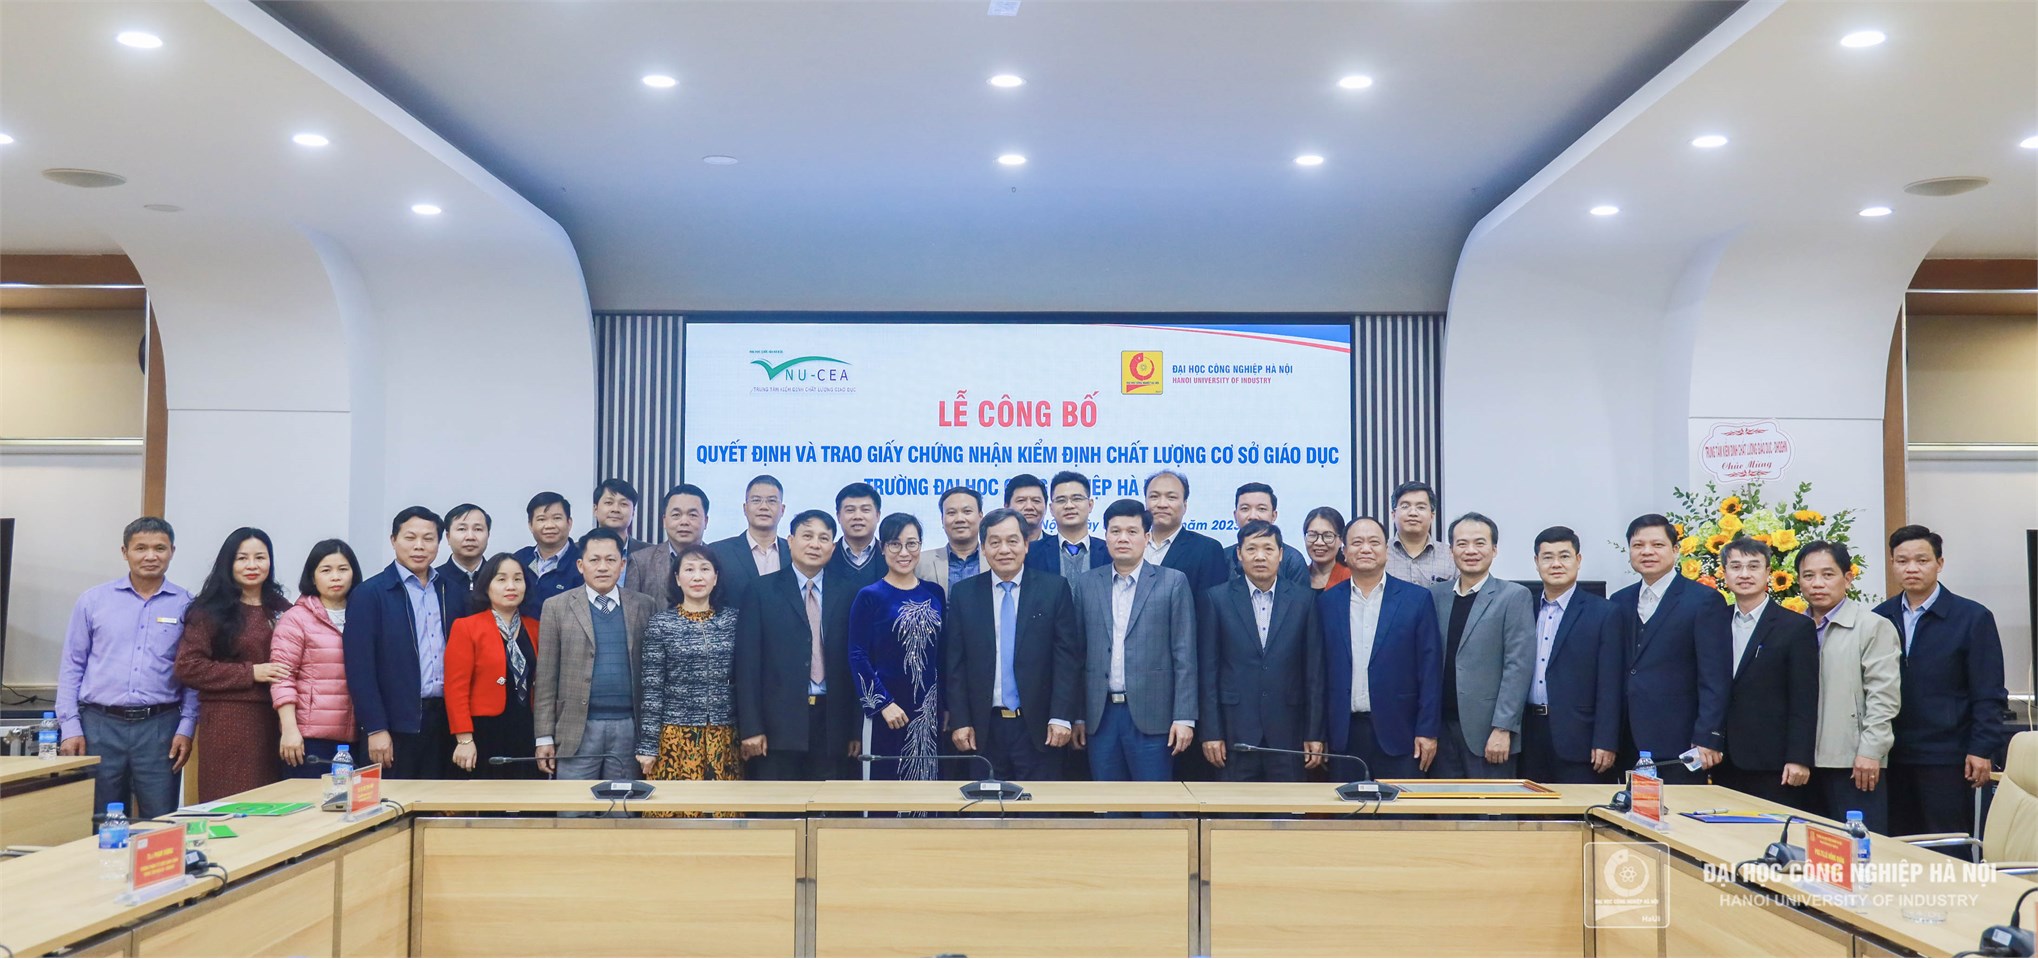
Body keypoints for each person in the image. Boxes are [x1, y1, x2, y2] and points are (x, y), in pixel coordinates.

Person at [1873, 525, 2008, 836]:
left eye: (1921, 560)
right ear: (1892, 564)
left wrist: (1981, 748)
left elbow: (1988, 692)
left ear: (1939, 563)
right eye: (1902, 561)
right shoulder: (1880, 617)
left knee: (1947, 843)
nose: (1911, 568)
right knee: (1898, 844)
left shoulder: (1972, 617)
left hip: (1948, 756)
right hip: (1893, 755)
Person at [58, 517, 195, 821]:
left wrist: (186, 727)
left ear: (172, 551)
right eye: (141, 548)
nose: (150, 556)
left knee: (161, 820)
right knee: (98, 821)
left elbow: (192, 675)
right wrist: (70, 727)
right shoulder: (93, 601)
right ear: (125, 552)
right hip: (99, 725)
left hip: (160, 728)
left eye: (160, 548)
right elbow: (72, 666)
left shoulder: (187, 605)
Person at [945, 509, 1082, 783]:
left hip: (1040, 727)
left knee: (1039, 807)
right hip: (983, 729)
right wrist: (960, 720)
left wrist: (1061, 716)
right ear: (984, 548)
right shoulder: (964, 594)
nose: (1004, 550)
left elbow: (1066, 660)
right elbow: (955, 665)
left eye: (1012, 541)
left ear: (1026, 544)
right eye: (995, 542)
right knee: (985, 805)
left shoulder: (1054, 589)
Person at [1072, 499, 1197, 781]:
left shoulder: (1172, 582)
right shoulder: (1087, 583)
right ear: (1105, 536)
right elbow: (1078, 654)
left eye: (1132, 531)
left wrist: (1184, 717)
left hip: (1153, 716)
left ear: (1147, 536)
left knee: (1154, 803)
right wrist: (1078, 715)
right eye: (1115, 531)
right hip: (1100, 716)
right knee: (1107, 803)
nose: (1123, 538)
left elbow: (1185, 654)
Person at [1198, 521, 1324, 782]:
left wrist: (1314, 732)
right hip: (1234, 732)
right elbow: (1208, 672)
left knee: (1288, 806)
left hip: (1289, 732)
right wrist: (1211, 732)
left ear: (1281, 554)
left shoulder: (1304, 600)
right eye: (1251, 548)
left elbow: (1314, 673)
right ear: (1239, 554)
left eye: (1268, 548)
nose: (1260, 556)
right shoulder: (1216, 599)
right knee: (1234, 807)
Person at [736, 510, 857, 780]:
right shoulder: (761, 591)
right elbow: (747, 665)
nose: (815, 544)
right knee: (778, 804)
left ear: (833, 547)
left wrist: (855, 730)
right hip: (777, 726)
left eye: (823, 538)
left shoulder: (849, 592)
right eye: (807, 536)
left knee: (830, 804)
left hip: (833, 725)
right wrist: (752, 727)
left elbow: (856, 663)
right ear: (790, 541)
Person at [1610, 514, 1731, 784]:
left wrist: (1708, 736)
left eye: (1657, 545)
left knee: (1679, 809)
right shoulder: (1619, 601)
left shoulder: (1704, 601)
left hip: (1682, 741)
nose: (1647, 552)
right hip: (1628, 741)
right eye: (1638, 545)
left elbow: (1715, 676)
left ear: (1675, 550)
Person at [174, 528, 293, 801]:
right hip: (227, 720)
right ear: (228, 563)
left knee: (273, 803)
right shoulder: (209, 610)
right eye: (242, 558)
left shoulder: (282, 607)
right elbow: (188, 666)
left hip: (276, 719)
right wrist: (250, 672)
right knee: (230, 803)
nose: (252, 565)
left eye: (260, 557)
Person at [533, 529, 660, 781]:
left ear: (622, 564)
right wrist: (544, 737)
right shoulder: (556, 607)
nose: (603, 567)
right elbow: (546, 678)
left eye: (610, 560)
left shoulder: (644, 605)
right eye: (594, 560)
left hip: (629, 728)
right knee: (573, 804)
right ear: (581, 565)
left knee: (622, 803)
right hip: (575, 727)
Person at [345, 506, 462, 778]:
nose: (419, 546)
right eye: (410, 537)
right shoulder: (370, 594)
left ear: (439, 542)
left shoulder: (452, 592)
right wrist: (375, 727)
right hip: (394, 725)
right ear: (393, 540)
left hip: (444, 723)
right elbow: (360, 669)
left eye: (428, 538)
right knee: (391, 800)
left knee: (438, 801)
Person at [1320, 516, 1440, 781]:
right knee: (1346, 806)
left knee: (1401, 807)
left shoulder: (1416, 599)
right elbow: (1318, 674)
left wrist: (1427, 730)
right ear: (1344, 551)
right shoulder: (1327, 603)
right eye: (1357, 543)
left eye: (1374, 542)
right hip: (1343, 734)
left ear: (1386, 550)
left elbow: (1430, 671)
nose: (1365, 549)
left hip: (1402, 733)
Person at [1800, 540, 1900, 832]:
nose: (1817, 583)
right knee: (1807, 847)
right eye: (1808, 576)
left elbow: (1884, 696)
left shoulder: (1872, 626)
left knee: (1858, 848)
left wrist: (1871, 751)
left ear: (1847, 578)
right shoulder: (1793, 627)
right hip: (1803, 761)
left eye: (1828, 574)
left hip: (1853, 761)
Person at [1712, 537, 1819, 806]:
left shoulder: (1795, 627)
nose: (1744, 574)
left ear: (1768, 572)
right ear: (1724, 573)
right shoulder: (1713, 622)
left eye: (1753, 566)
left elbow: (1804, 699)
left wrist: (1798, 758)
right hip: (1722, 757)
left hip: (1773, 761)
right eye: (1736, 567)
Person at [1427, 513, 1534, 778]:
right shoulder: (1435, 595)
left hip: (1488, 733)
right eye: (1462, 544)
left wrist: (1503, 728)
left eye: (1480, 543)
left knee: (1490, 804)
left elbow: (1518, 667)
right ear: (1451, 550)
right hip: (1440, 731)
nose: (1471, 551)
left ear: (1494, 549)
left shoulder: (1513, 596)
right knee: (1444, 804)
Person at [636, 544, 743, 807]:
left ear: (715, 577)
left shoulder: (734, 621)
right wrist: (648, 746)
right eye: (689, 570)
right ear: (677, 578)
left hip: (724, 736)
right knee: (675, 812)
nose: (697, 577)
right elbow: (652, 689)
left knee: (722, 811)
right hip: (675, 735)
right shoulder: (661, 624)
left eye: (705, 569)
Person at [1519, 527, 1622, 784]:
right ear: (1536, 562)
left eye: (1564, 556)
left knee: (1579, 807)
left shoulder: (1604, 612)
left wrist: (1606, 740)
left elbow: (1611, 683)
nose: (1556, 564)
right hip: (1528, 734)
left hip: (1580, 738)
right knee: (1531, 807)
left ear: (1578, 560)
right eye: (1547, 557)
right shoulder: (1523, 607)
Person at [849, 514, 946, 780]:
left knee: (928, 786)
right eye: (895, 544)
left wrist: (946, 706)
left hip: (929, 711)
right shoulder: (870, 596)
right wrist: (883, 704)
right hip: (886, 710)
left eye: (911, 544)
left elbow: (942, 655)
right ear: (882, 548)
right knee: (884, 786)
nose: (904, 552)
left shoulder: (935, 593)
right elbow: (857, 655)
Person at [271, 539, 362, 779]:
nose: (335, 577)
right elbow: (282, 677)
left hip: (356, 737)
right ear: (312, 577)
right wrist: (289, 729)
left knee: (351, 801)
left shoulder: (364, 613)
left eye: (343, 569)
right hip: (309, 738)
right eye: (326, 570)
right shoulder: (296, 619)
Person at [445, 554, 541, 778]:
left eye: (518, 579)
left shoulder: (536, 627)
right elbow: (455, 689)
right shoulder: (467, 627)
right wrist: (464, 738)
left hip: (526, 728)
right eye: (501, 579)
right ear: (486, 585)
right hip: (484, 730)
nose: (511, 586)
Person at [1143, 469, 1226, 593]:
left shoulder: (1207, 549)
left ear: (1185, 505)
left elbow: (1211, 602)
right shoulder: (1130, 544)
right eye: (1154, 497)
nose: (1162, 504)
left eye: (1171, 497)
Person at [710, 474, 790, 603]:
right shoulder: (718, 552)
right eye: (756, 500)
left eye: (772, 501)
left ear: (782, 510)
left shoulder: (794, 552)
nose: (764, 507)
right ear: (745, 508)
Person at [626, 484, 710, 601]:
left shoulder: (720, 559)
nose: (684, 522)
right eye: (676, 515)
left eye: (692, 515)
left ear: (706, 521)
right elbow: (631, 607)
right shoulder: (640, 562)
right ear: (664, 521)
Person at [1226, 483, 1309, 587]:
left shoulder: (1292, 560)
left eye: (1261, 509)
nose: (1253, 516)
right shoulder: (1223, 557)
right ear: (1235, 516)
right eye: (1245, 509)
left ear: (1273, 516)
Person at [514, 492, 581, 620]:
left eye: (557, 518)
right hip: (524, 632)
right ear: (530, 525)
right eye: (541, 519)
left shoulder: (583, 563)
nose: (549, 525)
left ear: (569, 523)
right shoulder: (519, 559)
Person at [1028, 471, 1107, 578]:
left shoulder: (1109, 551)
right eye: (1061, 500)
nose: (1069, 506)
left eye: (1077, 499)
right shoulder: (1032, 553)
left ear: (1090, 505)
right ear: (1051, 509)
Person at [1385, 481, 1455, 586]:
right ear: (1393, 515)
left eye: (1421, 507)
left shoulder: (1450, 556)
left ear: (1432, 516)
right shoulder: (1379, 555)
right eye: (1405, 506)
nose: (1413, 513)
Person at [917, 486, 985, 590]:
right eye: (951, 513)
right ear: (942, 520)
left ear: (980, 517)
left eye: (967, 511)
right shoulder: (920, 562)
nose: (959, 519)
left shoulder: (996, 560)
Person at [827, 482, 886, 592]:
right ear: (838, 516)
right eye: (850, 510)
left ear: (878, 515)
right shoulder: (825, 555)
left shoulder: (890, 556)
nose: (857, 517)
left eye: (865, 510)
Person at [438, 503, 492, 615]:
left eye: (478, 529)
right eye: (462, 529)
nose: (470, 537)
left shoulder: (498, 578)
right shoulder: (434, 580)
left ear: (488, 535)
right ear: (448, 537)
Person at [594, 478, 652, 553]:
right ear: (595, 509)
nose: (615, 509)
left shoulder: (651, 554)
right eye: (609, 502)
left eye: (623, 504)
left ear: (633, 512)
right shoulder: (579, 551)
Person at [1303, 507, 1351, 591]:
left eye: (1328, 536)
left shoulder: (1351, 578)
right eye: (1312, 535)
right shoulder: (1297, 576)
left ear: (1341, 540)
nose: (1319, 542)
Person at [1004, 473, 1049, 545]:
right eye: (1021, 500)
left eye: (1036, 501)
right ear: (1007, 507)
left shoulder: (1059, 547)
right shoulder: (995, 548)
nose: (1029, 507)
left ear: (1046, 507)